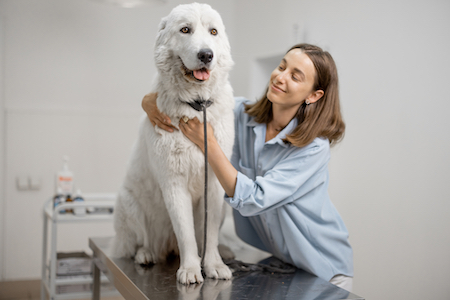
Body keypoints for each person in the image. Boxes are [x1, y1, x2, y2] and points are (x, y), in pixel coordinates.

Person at [143, 43, 354, 291]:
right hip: (285, 264)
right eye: (282, 66)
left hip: (324, 270)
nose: (280, 77)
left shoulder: (314, 149)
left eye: (295, 76)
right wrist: (149, 101)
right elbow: (191, 102)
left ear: (313, 95)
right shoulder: (240, 113)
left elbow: (254, 198)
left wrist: (208, 142)